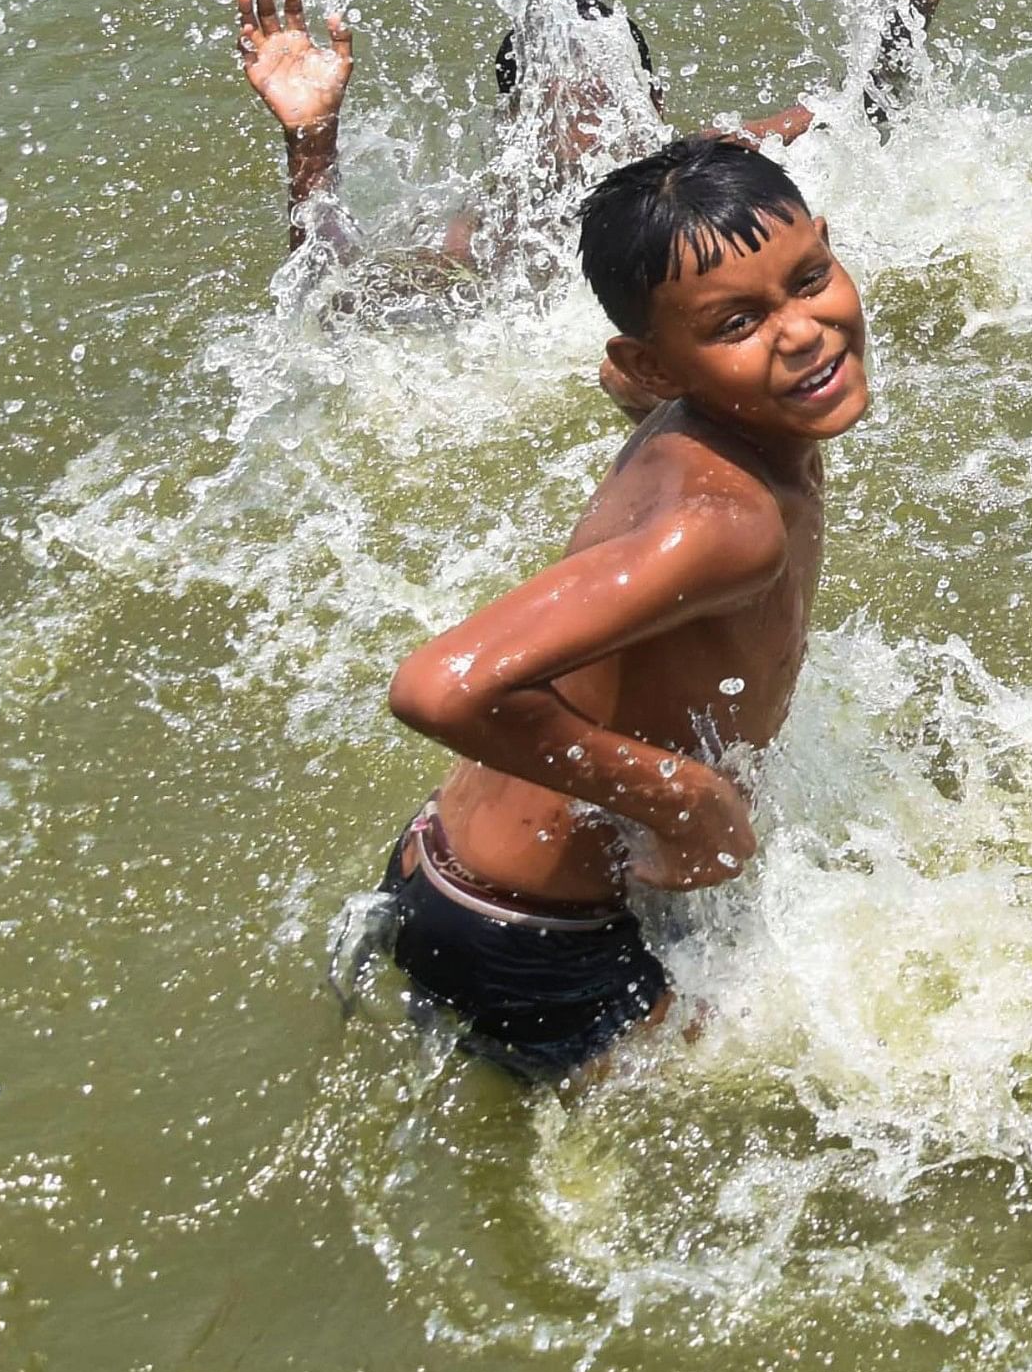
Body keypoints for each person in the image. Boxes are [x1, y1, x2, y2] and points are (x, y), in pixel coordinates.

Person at [366, 137, 871, 1080]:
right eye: (737, 323)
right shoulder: (729, 525)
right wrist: (689, 799)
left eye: (810, 278)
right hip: (532, 937)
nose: (802, 332)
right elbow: (436, 687)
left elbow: (639, 406)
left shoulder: (702, 419)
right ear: (658, 360)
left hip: (459, 872)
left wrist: (686, 370)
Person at [234, 0, 995, 259]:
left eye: (606, 79)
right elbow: (342, 304)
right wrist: (312, 145)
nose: (585, 98)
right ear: (514, 118)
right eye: (555, 85)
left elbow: (862, 118)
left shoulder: (708, 158)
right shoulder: (489, 238)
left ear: (652, 97)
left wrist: (913, 3)